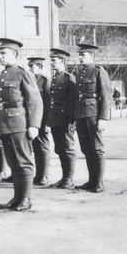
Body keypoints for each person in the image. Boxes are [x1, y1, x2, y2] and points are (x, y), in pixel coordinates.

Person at [0, 38, 43, 211]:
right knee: (13, 163)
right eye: (0, 53)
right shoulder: (4, 74)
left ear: (14, 54)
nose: (1, 57)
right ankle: (17, 197)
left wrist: (34, 125)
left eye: (3, 53)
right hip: (5, 124)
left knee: (24, 162)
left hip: (19, 124)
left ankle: (26, 199)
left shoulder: (23, 73)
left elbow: (35, 101)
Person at [74, 44, 111, 193]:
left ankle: (99, 183)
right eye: (80, 55)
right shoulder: (79, 73)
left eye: (83, 55)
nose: (80, 57)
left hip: (93, 114)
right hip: (81, 115)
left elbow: (106, 96)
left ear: (92, 56)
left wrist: (103, 118)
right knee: (87, 149)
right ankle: (91, 180)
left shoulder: (98, 71)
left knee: (97, 148)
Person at [47, 48, 77, 189]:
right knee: (59, 148)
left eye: (54, 60)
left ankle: (69, 179)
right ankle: (64, 178)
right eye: (51, 60)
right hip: (55, 118)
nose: (52, 63)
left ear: (62, 61)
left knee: (67, 148)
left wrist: (72, 121)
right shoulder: (54, 78)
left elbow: (73, 101)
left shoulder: (69, 78)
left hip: (65, 118)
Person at [28, 57, 51, 186]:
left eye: (32, 67)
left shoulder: (45, 81)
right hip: (32, 120)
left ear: (40, 68)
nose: (30, 69)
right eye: (29, 67)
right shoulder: (29, 80)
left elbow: (48, 104)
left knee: (43, 148)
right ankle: (38, 175)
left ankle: (44, 176)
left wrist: (47, 122)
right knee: (36, 148)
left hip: (42, 120)